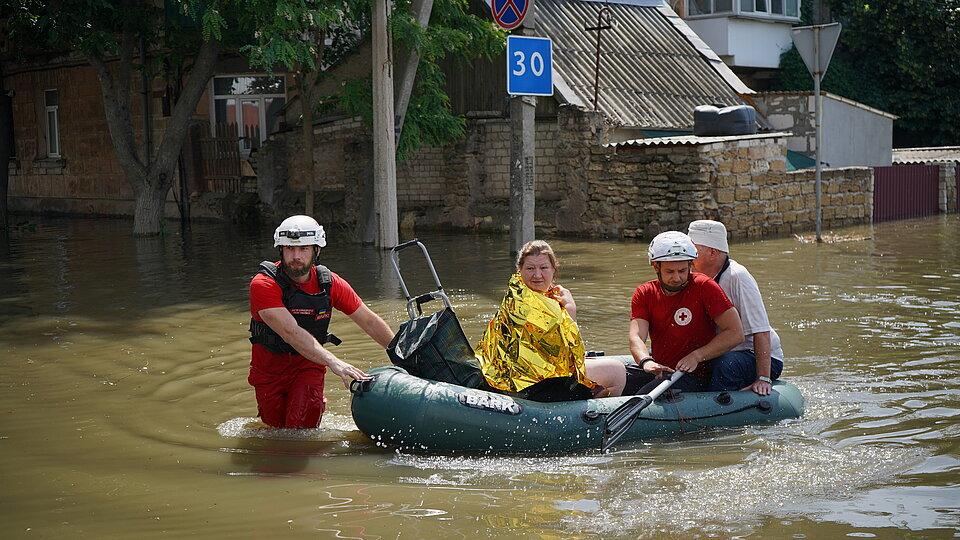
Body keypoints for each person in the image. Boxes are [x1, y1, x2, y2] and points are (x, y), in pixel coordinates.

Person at [247, 215, 394, 428]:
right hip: (269, 372)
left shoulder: (329, 283)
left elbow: (369, 321)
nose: (295, 256)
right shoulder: (263, 284)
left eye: (304, 249)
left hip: (308, 366)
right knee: (275, 432)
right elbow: (290, 333)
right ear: (281, 250)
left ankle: (313, 402)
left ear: (316, 250)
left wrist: (401, 355)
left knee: (300, 432)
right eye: (289, 249)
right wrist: (335, 362)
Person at [475, 240, 627, 400]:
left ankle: (588, 402)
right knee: (617, 372)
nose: (537, 275)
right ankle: (596, 418)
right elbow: (566, 354)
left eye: (543, 268)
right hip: (530, 381)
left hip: (504, 373)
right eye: (530, 268)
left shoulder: (518, 292)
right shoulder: (532, 304)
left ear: (554, 269)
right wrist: (570, 309)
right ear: (519, 270)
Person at [627, 231, 744, 394]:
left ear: (691, 265)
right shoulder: (644, 293)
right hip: (661, 370)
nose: (677, 278)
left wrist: (697, 356)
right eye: (670, 272)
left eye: (682, 271)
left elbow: (736, 333)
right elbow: (636, 336)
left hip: (693, 374)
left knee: (643, 395)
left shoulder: (705, 287)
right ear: (656, 266)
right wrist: (646, 362)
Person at [688, 219, 784, 396]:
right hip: (722, 350)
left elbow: (760, 329)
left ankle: (717, 412)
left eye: (693, 251)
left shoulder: (737, 277)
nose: (687, 258)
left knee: (725, 365)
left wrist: (763, 377)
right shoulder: (695, 278)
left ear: (712, 253)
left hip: (755, 356)